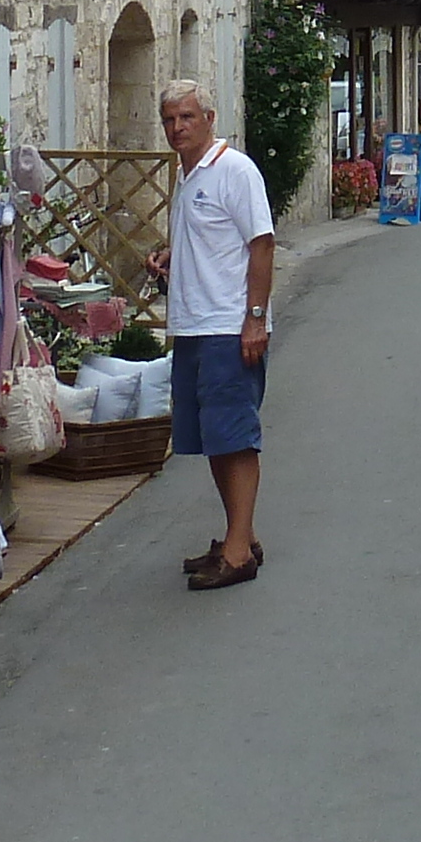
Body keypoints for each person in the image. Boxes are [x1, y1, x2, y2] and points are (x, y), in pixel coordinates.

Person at [149, 79, 277, 591]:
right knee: (213, 439)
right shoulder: (189, 175)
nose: (177, 127)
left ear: (209, 118)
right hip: (195, 325)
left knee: (235, 436)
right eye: (170, 120)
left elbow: (262, 244)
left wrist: (254, 317)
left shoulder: (234, 170)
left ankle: (240, 550)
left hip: (227, 325)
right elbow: (213, 241)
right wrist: (172, 255)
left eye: (187, 117)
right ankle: (237, 538)